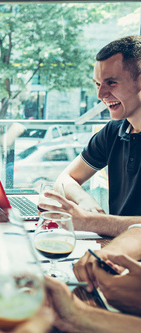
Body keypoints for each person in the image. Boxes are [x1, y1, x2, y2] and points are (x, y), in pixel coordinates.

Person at [41, 35, 141, 237]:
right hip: (118, 254)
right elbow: (65, 178)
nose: (101, 94)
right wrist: (85, 202)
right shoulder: (114, 131)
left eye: (111, 83)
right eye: (97, 84)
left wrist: (92, 222)